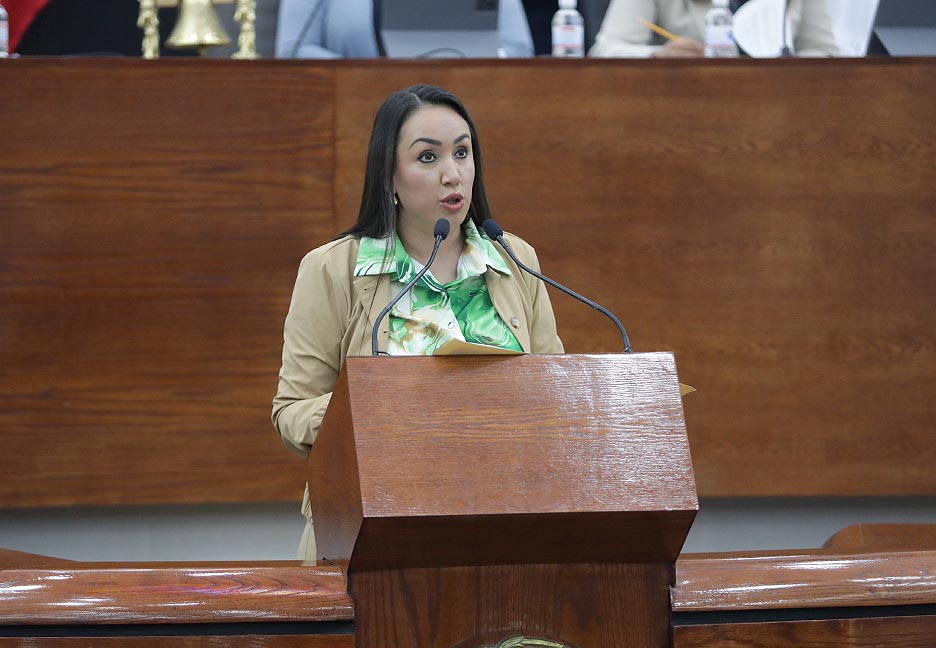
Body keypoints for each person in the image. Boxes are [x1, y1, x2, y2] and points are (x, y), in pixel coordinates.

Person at [272, 84, 564, 562]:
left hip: (506, 526)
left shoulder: (515, 258)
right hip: (375, 531)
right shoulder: (332, 269)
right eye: (428, 157)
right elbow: (291, 413)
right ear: (389, 175)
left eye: (462, 153)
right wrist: (369, 404)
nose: (453, 174)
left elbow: (553, 392)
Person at [276, 0, 535, 58]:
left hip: (469, 109)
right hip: (353, 113)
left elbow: (519, 50)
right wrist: (365, 75)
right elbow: (292, 51)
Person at [590, 0, 839, 58]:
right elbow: (604, 50)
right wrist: (659, 56)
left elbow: (825, 53)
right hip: (687, 110)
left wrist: (791, 66)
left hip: (777, 108)